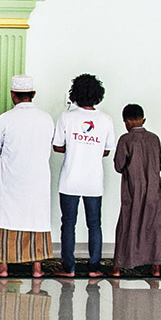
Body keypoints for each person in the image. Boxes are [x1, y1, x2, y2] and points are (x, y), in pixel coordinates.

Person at [0, 75, 54, 278]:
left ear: (13, 96)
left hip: (11, 178)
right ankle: (36, 268)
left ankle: (4, 267)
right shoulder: (46, 118)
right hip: (37, 178)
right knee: (36, 217)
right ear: (33, 95)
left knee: (6, 217)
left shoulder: (5, 119)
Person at [52, 74, 115, 278]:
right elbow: (106, 150)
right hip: (93, 180)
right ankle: (94, 267)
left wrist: (75, 146)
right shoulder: (105, 120)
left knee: (68, 223)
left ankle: (68, 267)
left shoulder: (66, 117)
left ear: (75, 93)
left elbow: (57, 146)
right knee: (94, 223)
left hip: (70, 179)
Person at [111, 104, 161, 276]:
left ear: (126, 122)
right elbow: (160, 164)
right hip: (153, 189)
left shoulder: (125, 140)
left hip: (132, 189)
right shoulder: (154, 139)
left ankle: (118, 267)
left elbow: (119, 166)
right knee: (154, 225)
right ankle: (156, 267)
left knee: (128, 223)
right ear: (143, 120)